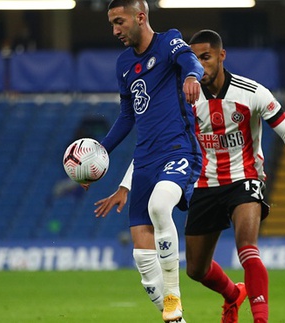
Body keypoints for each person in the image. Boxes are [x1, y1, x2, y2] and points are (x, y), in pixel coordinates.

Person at [96, 29, 285, 323]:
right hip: (203, 183)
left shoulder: (252, 93)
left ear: (221, 56)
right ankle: (232, 294)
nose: (199, 64)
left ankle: (260, 320)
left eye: (206, 57)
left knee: (247, 248)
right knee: (196, 269)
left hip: (244, 178)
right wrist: (126, 184)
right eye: (194, 58)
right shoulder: (183, 98)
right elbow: (155, 146)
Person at [92, 1, 204, 322]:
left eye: (119, 21)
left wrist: (192, 77)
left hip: (179, 151)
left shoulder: (169, 40)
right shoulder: (124, 64)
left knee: (158, 208)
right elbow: (127, 117)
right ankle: (177, 319)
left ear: (140, 17)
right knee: (143, 261)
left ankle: (173, 298)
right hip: (144, 162)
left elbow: (190, 61)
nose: (114, 30)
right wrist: (99, 154)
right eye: (111, 23)